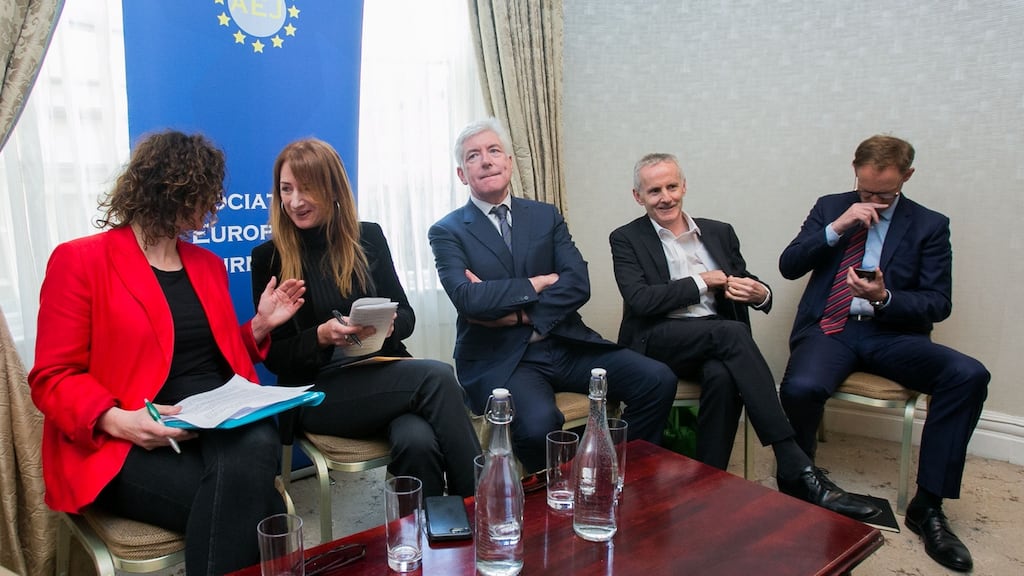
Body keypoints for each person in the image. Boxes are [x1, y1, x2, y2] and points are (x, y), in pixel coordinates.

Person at [28, 130, 306, 575]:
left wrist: (259, 326)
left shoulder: (206, 265)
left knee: (256, 445)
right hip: (121, 438)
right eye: (202, 194)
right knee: (265, 507)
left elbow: (215, 353)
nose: (209, 208)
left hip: (209, 419)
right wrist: (118, 420)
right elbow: (52, 376)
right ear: (168, 189)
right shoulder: (80, 261)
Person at [609, 152, 878, 520]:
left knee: (722, 374)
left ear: (684, 186)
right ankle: (793, 460)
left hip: (711, 339)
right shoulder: (626, 238)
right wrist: (703, 280)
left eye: (672, 186)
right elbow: (641, 300)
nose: (665, 197)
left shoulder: (718, 231)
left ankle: (709, 481)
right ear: (638, 197)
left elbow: (746, 279)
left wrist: (760, 294)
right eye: (654, 190)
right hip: (656, 339)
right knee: (730, 333)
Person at [778, 135, 989, 572]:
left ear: (907, 177)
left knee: (968, 375)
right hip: (831, 329)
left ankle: (928, 506)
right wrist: (837, 226)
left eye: (884, 194)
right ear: (854, 170)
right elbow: (790, 264)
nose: (873, 200)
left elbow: (938, 302)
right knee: (799, 386)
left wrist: (885, 296)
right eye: (865, 190)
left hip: (893, 335)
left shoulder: (929, 224)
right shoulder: (830, 205)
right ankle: (801, 483)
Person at [429, 118, 677, 474]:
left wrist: (519, 315)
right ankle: (561, 498)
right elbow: (469, 300)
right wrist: (536, 283)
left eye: (494, 151)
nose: (486, 161)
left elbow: (578, 283)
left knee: (657, 380)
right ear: (461, 174)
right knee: (537, 425)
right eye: (473, 156)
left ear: (509, 163)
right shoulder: (447, 231)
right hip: (503, 359)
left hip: (566, 342)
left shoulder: (544, 215)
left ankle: (620, 474)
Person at [250, 138, 480, 499]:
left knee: (417, 440)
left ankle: (431, 543)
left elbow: (407, 315)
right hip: (316, 393)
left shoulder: (368, 237)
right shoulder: (268, 257)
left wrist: (388, 324)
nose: (295, 201)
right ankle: (482, 508)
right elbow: (276, 358)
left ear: (333, 188)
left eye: (307, 188)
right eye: (286, 189)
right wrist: (322, 337)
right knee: (436, 375)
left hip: (384, 373)